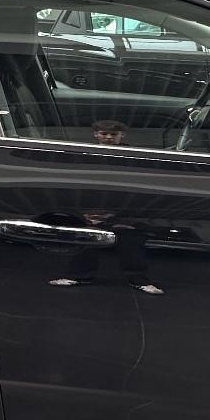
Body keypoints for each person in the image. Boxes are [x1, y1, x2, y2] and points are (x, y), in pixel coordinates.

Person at [46, 120, 165, 295]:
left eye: (113, 134)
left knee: (132, 241)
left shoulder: (134, 156)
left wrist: (119, 213)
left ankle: (139, 280)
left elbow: (138, 184)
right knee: (85, 238)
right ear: (96, 134)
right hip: (94, 205)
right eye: (104, 134)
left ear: (122, 135)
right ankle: (78, 276)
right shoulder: (86, 154)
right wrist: (87, 212)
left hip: (125, 206)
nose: (108, 137)